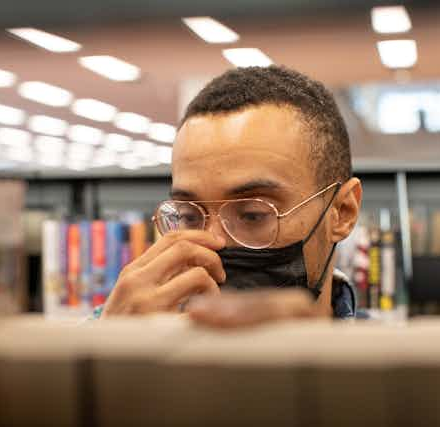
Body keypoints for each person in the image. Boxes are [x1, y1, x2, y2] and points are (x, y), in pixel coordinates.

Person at [101, 65, 362, 327]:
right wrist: (116, 358)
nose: (213, 245)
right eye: (190, 217)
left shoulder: (390, 362)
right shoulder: (115, 335)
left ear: (343, 212)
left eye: (253, 215)